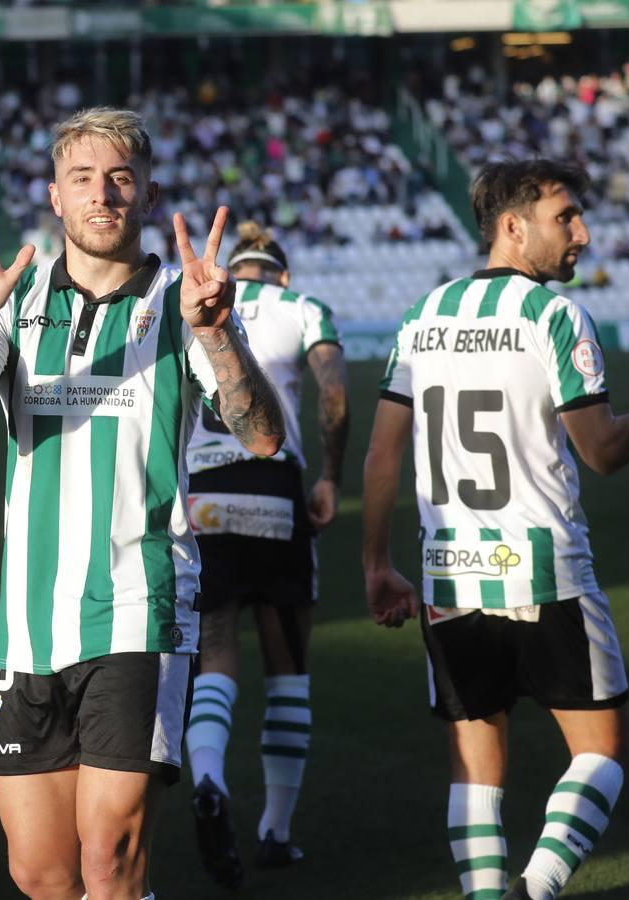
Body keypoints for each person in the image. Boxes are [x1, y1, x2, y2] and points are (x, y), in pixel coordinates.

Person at [0, 107, 285, 900]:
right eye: (83, 178)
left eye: (120, 178)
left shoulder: (182, 300)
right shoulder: (13, 302)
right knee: (41, 873)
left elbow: (261, 438)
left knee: (108, 861)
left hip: (136, 605)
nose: (103, 194)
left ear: (148, 193)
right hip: (25, 621)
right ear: (55, 197)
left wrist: (220, 337)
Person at [361, 159, 629, 900]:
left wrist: (374, 564)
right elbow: (603, 451)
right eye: (566, 217)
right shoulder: (553, 316)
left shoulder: (421, 318)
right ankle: (538, 887)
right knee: (600, 754)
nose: (582, 234)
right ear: (513, 227)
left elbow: (381, 454)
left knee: (474, 767)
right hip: (543, 568)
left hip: (447, 572)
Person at [182, 222, 348, 885]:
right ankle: (275, 830)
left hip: (202, 494)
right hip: (273, 483)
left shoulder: (188, 299)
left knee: (214, 649)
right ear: (279, 271)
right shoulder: (302, 307)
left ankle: (208, 778)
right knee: (287, 668)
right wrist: (330, 475)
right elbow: (332, 394)